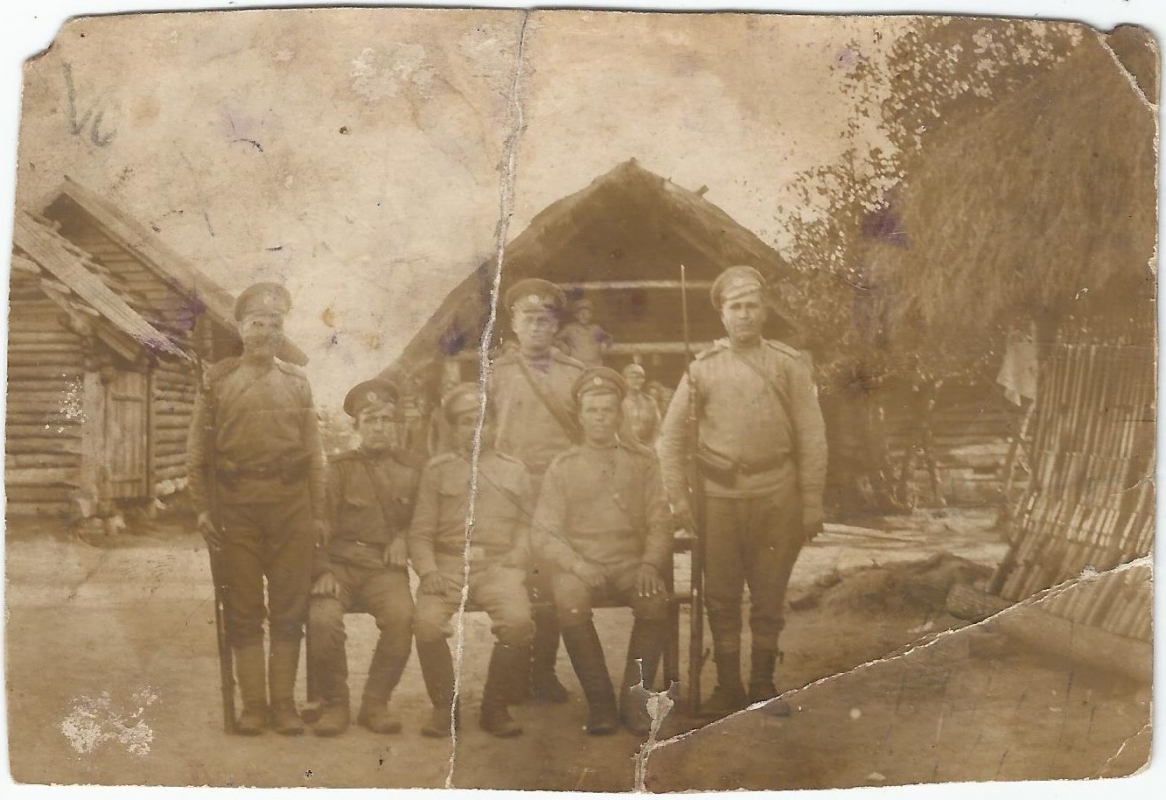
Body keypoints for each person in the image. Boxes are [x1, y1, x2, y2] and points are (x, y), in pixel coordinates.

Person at [658, 266, 827, 717]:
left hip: (778, 497)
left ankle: (762, 683)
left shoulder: (788, 364)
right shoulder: (701, 371)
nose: (745, 315)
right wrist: (678, 501)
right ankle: (728, 686)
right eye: (736, 307)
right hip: (718, 501)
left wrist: (811, 500)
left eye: (752, 306)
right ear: (722, 314)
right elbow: (671, 441)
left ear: (764, 310)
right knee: (722, 594)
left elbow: (812, 436)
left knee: (770, 593)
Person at [188, 282, 327, 735]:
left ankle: (283, 705)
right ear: (241, 327)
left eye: (275, 323)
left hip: (290, 509)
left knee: (290, 607)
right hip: (236, 508)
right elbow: (198, 453)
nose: (266, 331)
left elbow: (315, 454)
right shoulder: (218, 381)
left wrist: (318, 511)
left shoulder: (297, 381)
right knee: (244, 608)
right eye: (256, 323)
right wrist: (204, 509)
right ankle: (254, 706)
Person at [532, 367, 673, 736]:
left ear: (619, 414)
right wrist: (575, 563)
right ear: (580, 415)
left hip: (630, 562)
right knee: (571, 603)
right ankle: (600, 704)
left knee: (655, 601)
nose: (599, 418)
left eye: (607, 410)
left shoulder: (642, 461)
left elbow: (660, 518)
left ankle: (634, 700)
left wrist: (650, 563)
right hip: (580, 565)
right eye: (592, 411)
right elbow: (544, 532)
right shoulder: (563, 466)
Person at [409, 383, 535, 739]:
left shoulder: (515, 470)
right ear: (453, 428)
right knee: (427, 624)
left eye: (482, 420)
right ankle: (443, 708)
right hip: (447, 567)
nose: (475, 429)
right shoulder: (437, 471)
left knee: (518, 621)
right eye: (465, 422)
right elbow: (419, 532)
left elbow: (527, 526)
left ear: (494, 425)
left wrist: (516, 562)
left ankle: (495, 707)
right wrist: (428, 571)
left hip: (498, 567)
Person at [488, 278, 586, 704]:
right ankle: (513, 677)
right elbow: (481, 435)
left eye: (545, 319)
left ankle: (543, 673)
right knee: (514, 582)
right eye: (528, 318)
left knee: (551, 586)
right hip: (510, 495)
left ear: (556, 325)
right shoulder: (495, 375)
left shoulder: (575, 374)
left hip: (560, 496)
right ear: (513, 323)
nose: (537, 327)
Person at [306, 379, 419, 736]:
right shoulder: (338, 469)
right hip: (338, 566)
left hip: (383, 569)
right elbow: (318, 523)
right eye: (370, 419)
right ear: (357, 427)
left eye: (386, 419)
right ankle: (336, 704)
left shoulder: (412, 469)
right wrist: (320, 570)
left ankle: (376, 703)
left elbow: (425, 518)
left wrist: (404, 538)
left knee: (402, 616)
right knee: (322, 619)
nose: (379, 426)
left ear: (396, 425)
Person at [555, 298, 613, 366]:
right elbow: (555, 339)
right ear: (576, 315)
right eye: (582, 313)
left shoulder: (595, 329)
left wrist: (605, 343)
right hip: (575, 366)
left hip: (595, 366)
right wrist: (562, 345)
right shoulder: (570, 328)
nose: (585, 316)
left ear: (591, 315)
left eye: (588, 314)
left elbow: (608, 337)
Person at [619, 363, 661, 446]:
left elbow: (657, 428)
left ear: (643, 380)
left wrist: (653, 446)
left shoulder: (650, 402)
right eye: (632, 377)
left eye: (639, 377)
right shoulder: (618, 402)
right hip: (624, 447)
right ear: (624, 380)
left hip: (646, 447)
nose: (635, 380)